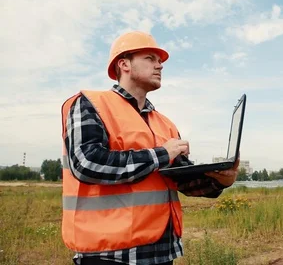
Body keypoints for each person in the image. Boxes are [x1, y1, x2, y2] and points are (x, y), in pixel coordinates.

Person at [60, 31, 239, 265]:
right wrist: (163, 154)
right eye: (150, 59)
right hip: (110, 254)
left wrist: (220, 181)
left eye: (160, 61)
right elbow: (87, 163)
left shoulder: (165, 124)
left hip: (160, 251)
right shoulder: (91, 103)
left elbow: (180, 181)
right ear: (124, 64)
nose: (160, 66)